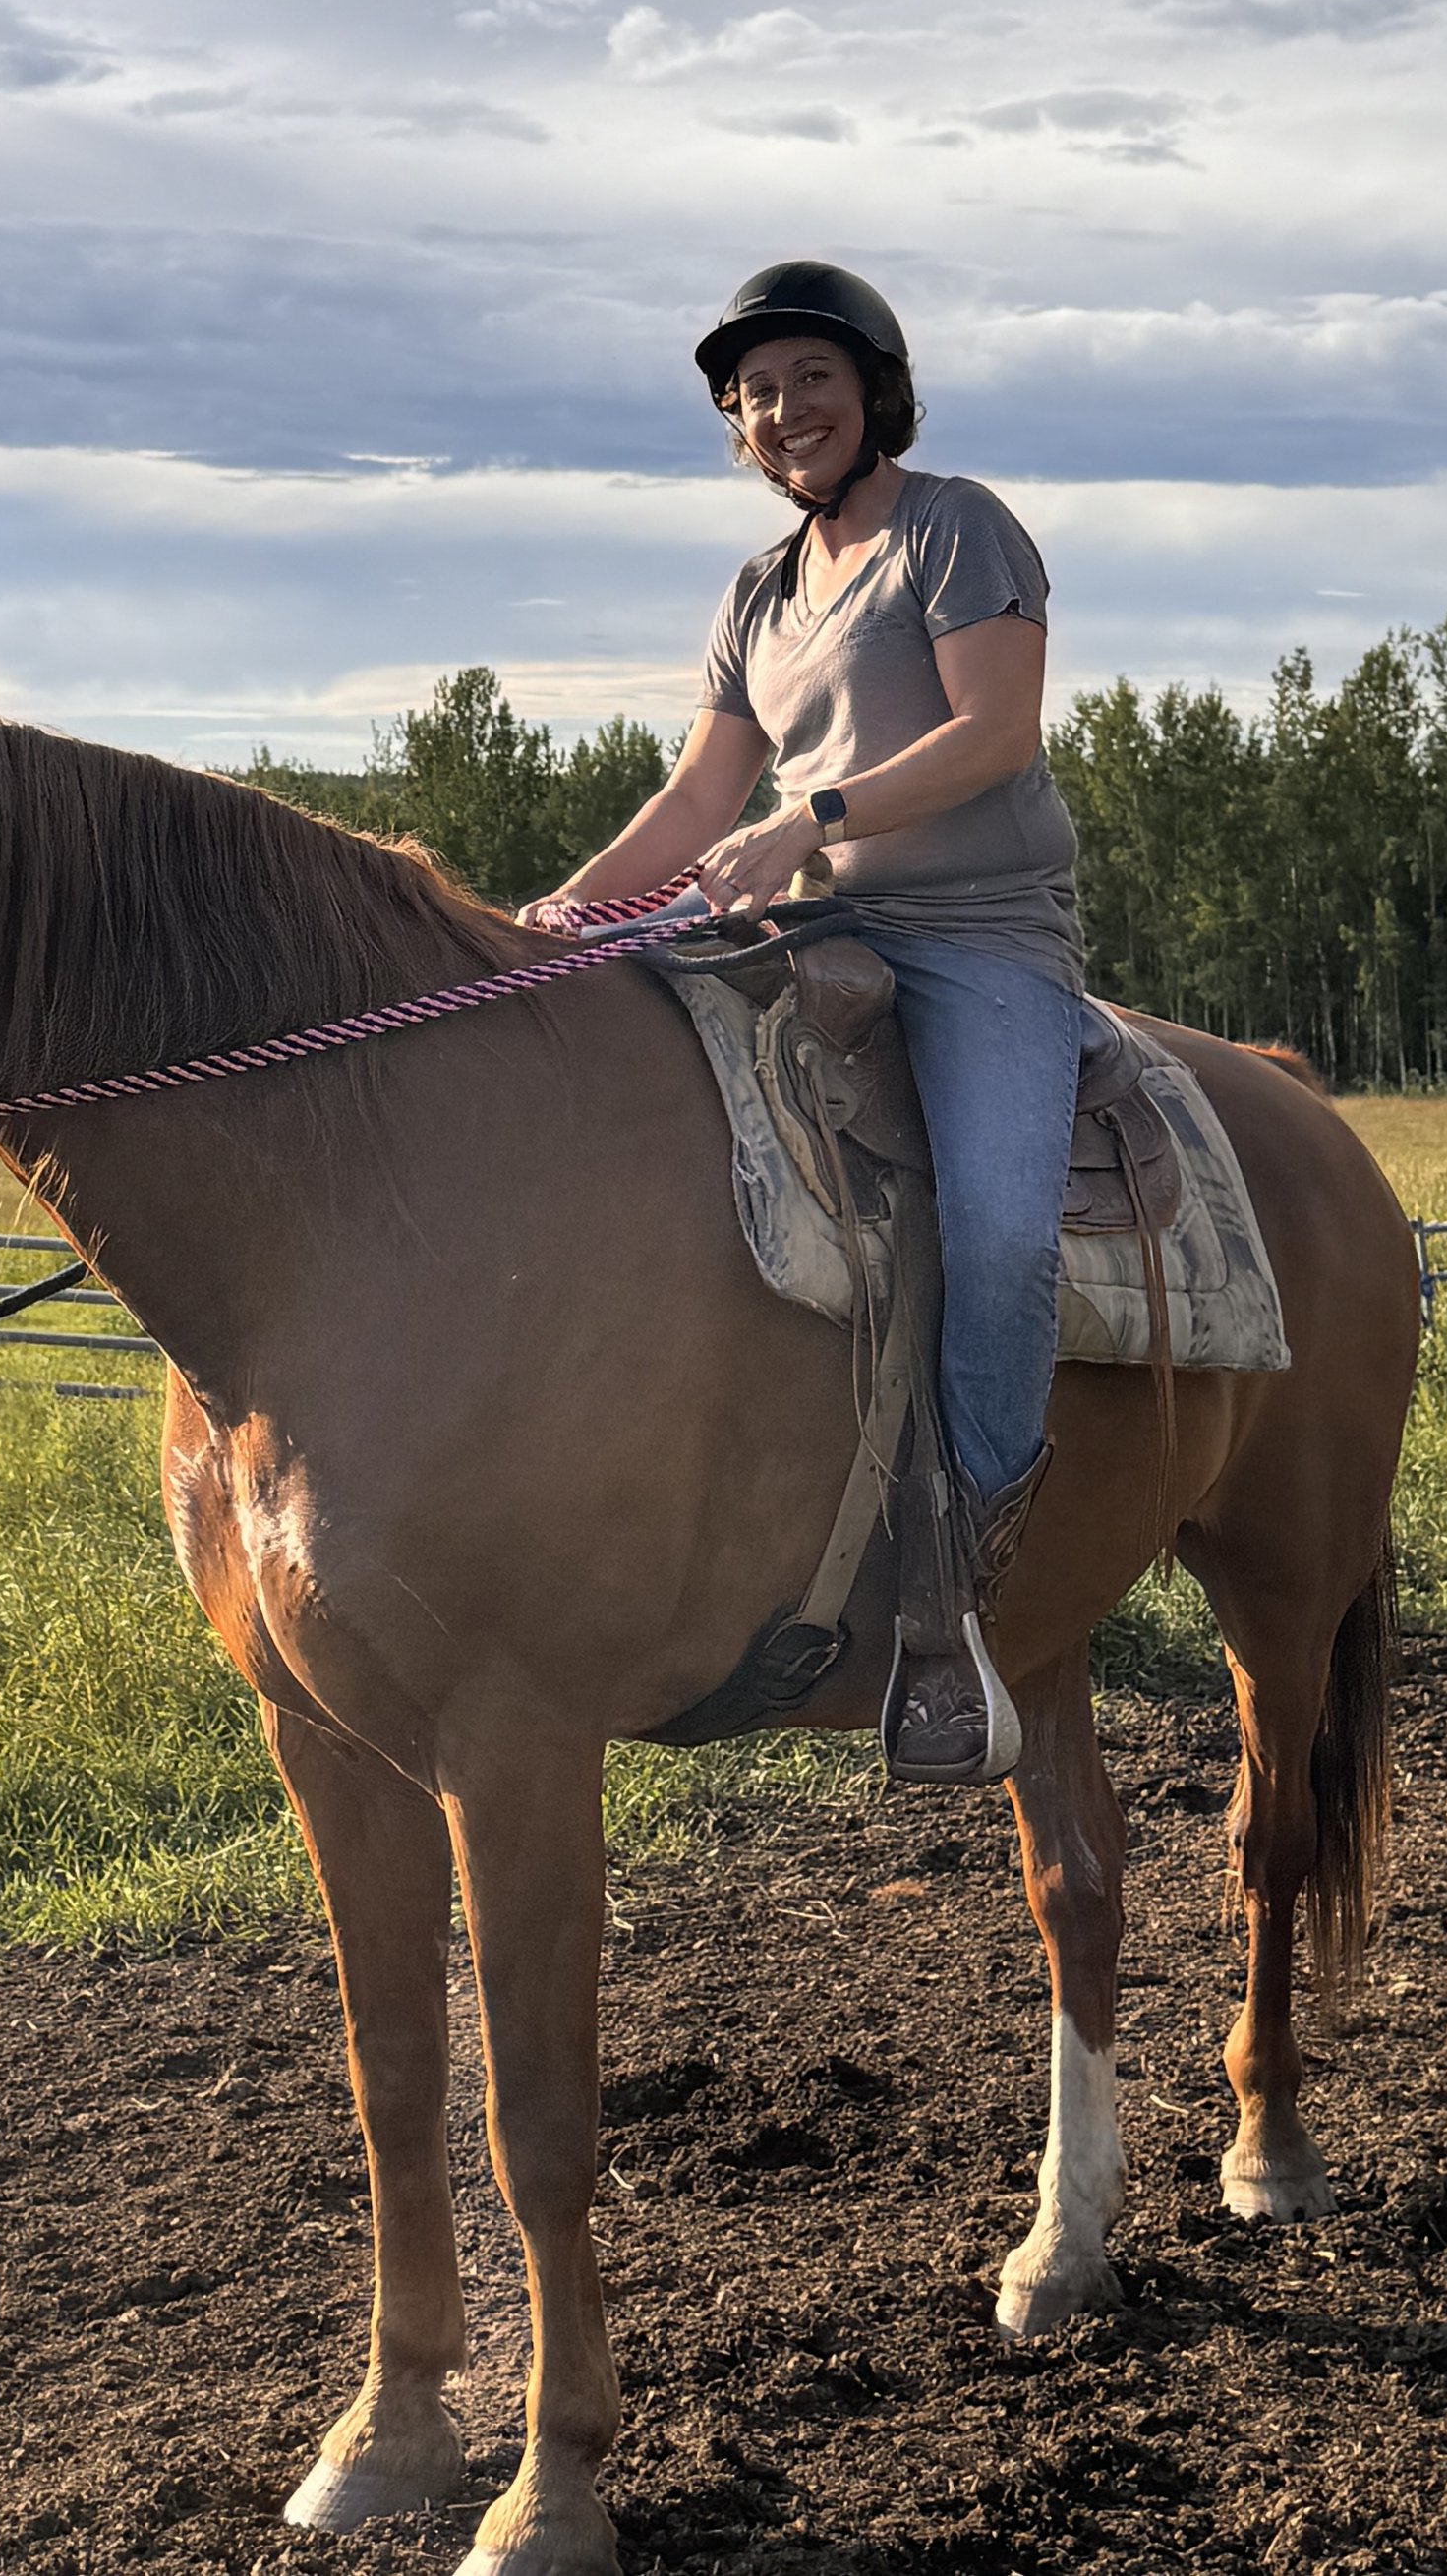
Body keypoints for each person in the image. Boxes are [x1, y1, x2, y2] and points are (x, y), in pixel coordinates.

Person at [545, 259, 1086, 1782]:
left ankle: (971, 1577)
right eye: (757, 390)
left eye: (810, 378)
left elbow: (998, 733)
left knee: (996, 1229)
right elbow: (700, 794)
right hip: (822, 919)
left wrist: (815, 815)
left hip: (976, 933)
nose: (784, 410)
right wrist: (562, 911)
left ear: (873, 389)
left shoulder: (956, 528)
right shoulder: (758, 593)